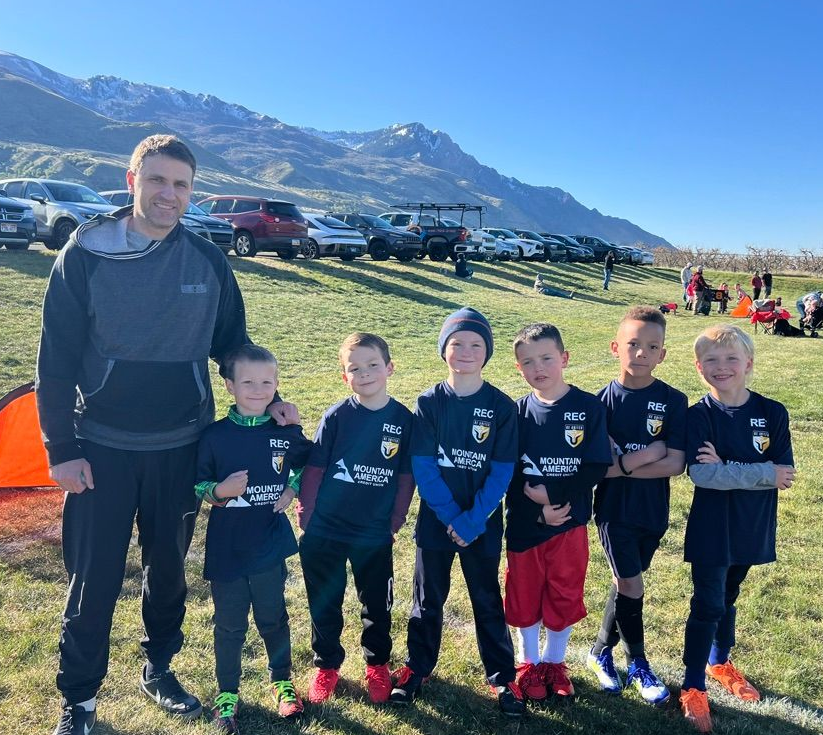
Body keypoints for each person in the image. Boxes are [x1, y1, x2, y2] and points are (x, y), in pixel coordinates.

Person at [36, 134, 297, 735]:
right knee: (93, 580)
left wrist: (271, 398)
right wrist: (61, 448)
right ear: (132, 181)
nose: (168, 194)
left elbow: (233, 345)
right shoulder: (84, 253)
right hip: (99, 450)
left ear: (191, 191)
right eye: (157, 180)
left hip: (182, 449)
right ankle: (79, 699)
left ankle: (159, 667)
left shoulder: (206, 260)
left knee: (168, 573)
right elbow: (56, 361)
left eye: (181, 184)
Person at [389, 307, 524, 718]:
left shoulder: (501, 407)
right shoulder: (429, 402)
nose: (466, 351)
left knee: (487, 599)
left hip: (481, 522)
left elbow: (502, 472)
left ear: (488, 353)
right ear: (443, 349)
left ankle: (503, 677)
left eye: (476, 344)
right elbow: (424, 467)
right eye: (457, 343)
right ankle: (417, 668)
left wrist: (472, 519)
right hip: (438, 521)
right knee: (427, 598)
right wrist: (452, 517)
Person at [679, 325, 794, 733]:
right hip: (711, 527)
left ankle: (720, 662)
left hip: (752, 523)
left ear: (749, 363)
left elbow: (785, 474)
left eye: (731, 358)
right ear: (699, 367)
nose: (722, 366)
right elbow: (702, 476)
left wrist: (728, 468)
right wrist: (761, 472)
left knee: (729, 595)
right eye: (711, 359)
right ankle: (692, 686)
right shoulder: (698, 416)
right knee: (708, 603)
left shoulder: (772, 412)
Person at [195, 345, 312, 731]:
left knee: (272, 617)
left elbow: (308, 464)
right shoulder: (214, 436)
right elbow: (198, 484)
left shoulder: (285, 432)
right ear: (230, 386)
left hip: (268, 544)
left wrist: (292, 488)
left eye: (266, 382)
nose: (258, 390)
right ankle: (227, 693)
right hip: (227, 548)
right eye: (248, 382)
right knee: (230, 624)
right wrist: (220, 491)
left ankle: (282, 681)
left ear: (276, 384)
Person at [296, 333, 414, 705]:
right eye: (355, 368)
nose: (364, 374)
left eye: (372, 365)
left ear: (389, 368)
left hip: (373, 532)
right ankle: (327, 665)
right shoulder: (337, 416)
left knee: (377, 604)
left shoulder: (404, 420)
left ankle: (377, 663)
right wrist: (307, 516)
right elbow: (315, 469)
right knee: (324, 602)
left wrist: (394, 522)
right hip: (326, 529)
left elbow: (405, 478)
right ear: (344, 376)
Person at [505, 324, 611, 703]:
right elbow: (508, 473)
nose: (539, 368)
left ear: (564, 359)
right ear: (519, 368)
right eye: (528, 362)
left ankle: (554, 661)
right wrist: (537, 513)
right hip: (525, 527)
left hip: (569, 523)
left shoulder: (589, 408)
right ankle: (529, 662)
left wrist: (552, 495)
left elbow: (595, 465)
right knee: (524, 595)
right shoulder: (515, 413)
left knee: (564, 593)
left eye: (547, 358)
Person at [587, 306, 687, 706]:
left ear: (662, 354)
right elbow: (600, 469)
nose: (642, 352)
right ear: (616, 347)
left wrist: (623, 463)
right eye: (633, 344)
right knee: (632, 584)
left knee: (624, 584)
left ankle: (598, 651)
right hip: (613, 511)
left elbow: (676, 463)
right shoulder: (598, 405)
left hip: (653, 511)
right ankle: (638, 665)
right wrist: (646, 454)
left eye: (652, 346)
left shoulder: (674, 400)